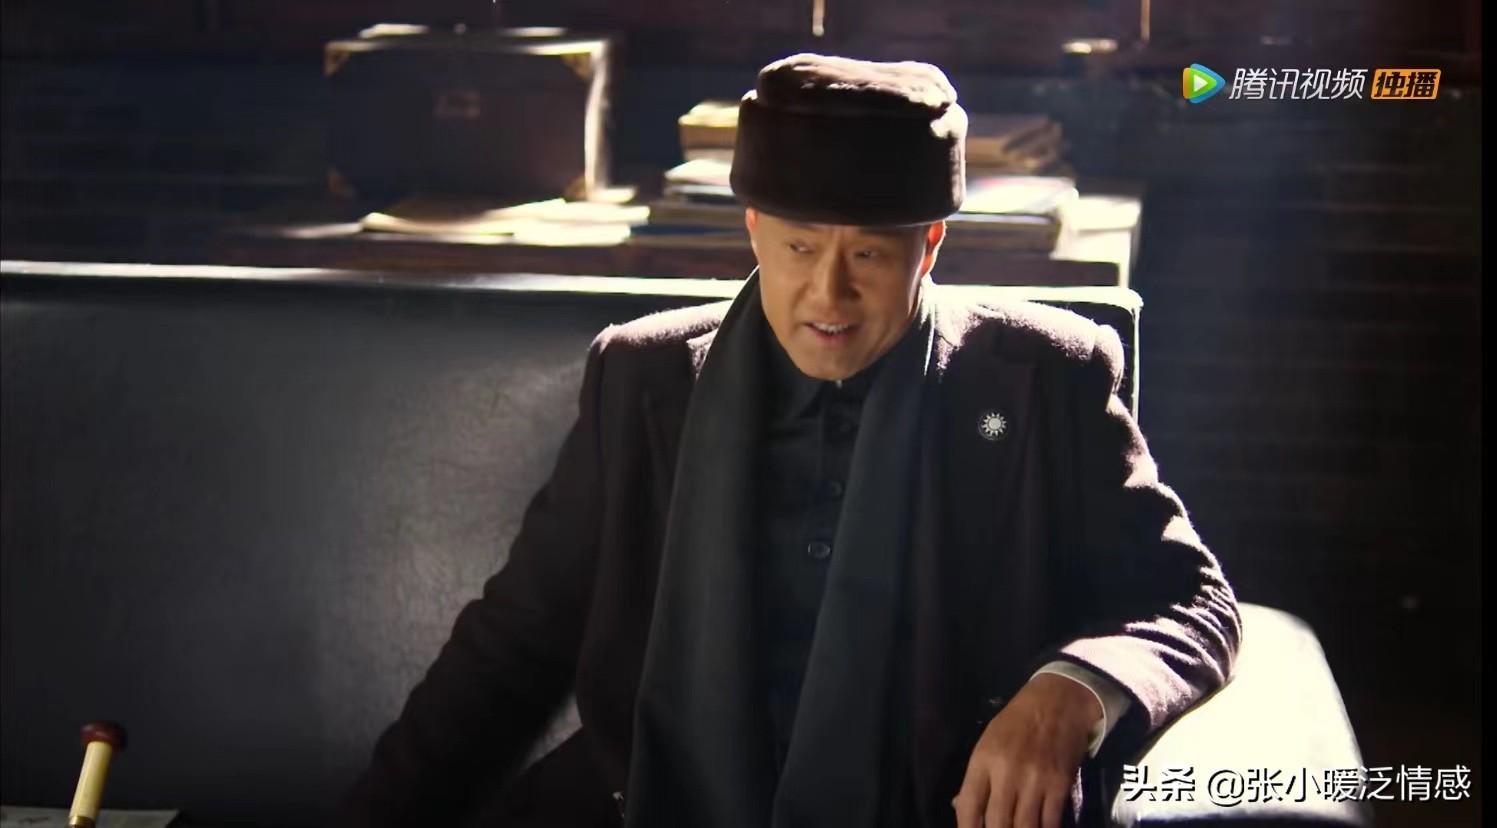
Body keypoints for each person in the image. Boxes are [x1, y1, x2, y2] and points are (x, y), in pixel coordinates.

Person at [335, 53, 1240, 828]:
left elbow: (1193, 601)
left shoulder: (1043, 381)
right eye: (800, 249)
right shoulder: (642, 381)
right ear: (754, 230)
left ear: (928, 246)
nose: (827, 296)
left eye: (868, 256)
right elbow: (511, 651)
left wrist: (1074, 691)